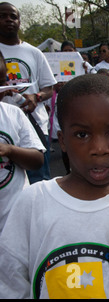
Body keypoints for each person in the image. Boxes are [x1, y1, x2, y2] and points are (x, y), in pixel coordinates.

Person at [0, 73, 109, 299]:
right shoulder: (32, 202)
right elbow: (10, 284)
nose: (99, 148)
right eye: (82, 134)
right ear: (62, 140)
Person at [0, 2, 57, 184]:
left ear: (19, 21)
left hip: (34, 125)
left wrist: (36, 96)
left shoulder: (34, 53)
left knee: (39, 182)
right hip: (3, 127)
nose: (8, 20)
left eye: (13, 16)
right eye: (2, 16)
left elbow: (49, 87)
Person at [0, 51, 45, 232]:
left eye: (2, 83)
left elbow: (37, 160)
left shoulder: (13, 114)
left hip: (15, 220)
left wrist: (10, 150)